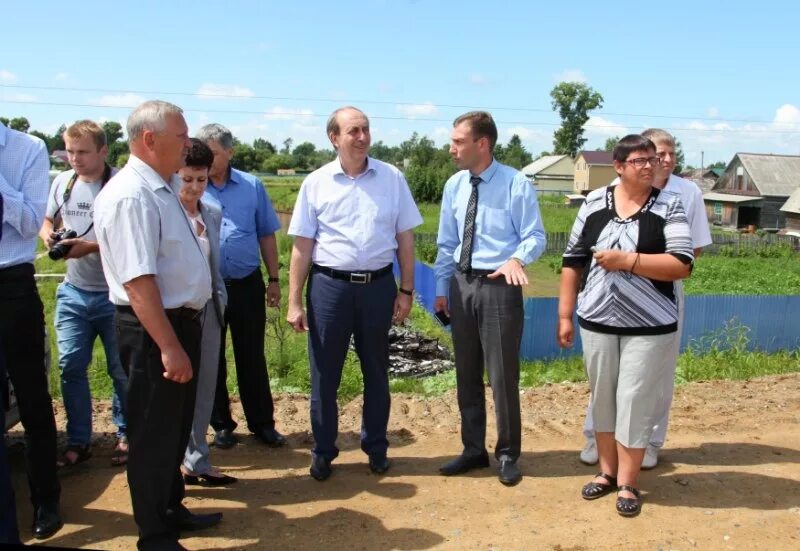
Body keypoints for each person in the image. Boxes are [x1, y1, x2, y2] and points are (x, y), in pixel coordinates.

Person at [94, 100, 223, 550]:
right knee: (153, 436)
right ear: (149, 139)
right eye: (181, 136)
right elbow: (139, 282)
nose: (189, 144)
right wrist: (169, 347)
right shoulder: (132, 195)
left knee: (173, 429)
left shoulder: (161, 187)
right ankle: (154, 535)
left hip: (179, 322)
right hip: (154, 330)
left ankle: (170, 507)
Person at [558, 134, 694, 517]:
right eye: (640, 160)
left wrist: (628, 261)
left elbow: (682, 263)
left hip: (650, 325)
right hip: (597, 320)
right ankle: (606, 472)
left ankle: (629, 483)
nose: (650, 165)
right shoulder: (593, 203)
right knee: (603, 397)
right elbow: (572, 262)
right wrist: (565, 315)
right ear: (619, 167)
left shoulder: (669, 205)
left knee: (633, 400)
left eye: (653, 159)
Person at [287, 106, 421, 481]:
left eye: (366, 130)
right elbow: (302, 245)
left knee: (376, 371)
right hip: (329, 289)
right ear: (334, 137)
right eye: (353, 131)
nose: (362, 137)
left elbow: (405, 238)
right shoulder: (316, 182)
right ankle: (324, 451)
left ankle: (376, 448)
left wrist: (406, 289)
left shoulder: (392, 178)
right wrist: (294, 301)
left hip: (378, 288)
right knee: (324, 375)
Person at [579, 129, 712, 469]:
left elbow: (689, 251)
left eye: (668, 155)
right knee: (605, 379)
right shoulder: (605, 195)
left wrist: (643, 265)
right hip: (607, 296)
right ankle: (598, 440)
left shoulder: (687, 192)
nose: (663, 161)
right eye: (656, 155)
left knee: (654, 377)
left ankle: (650, 442)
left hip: (660, 292)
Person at [434, 111, 546, 486]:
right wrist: (440, 288)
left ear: (482, 143)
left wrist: (517, 258)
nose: (452, 148)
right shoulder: (454, 185)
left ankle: (508, 453)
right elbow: (447, 243)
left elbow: (535, 236)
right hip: (460, 283)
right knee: (466, 371)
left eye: (458, 141)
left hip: (499, 285)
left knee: (501, 375)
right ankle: (472, 449)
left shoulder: (516, 184)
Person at [38, 120, 129, 468]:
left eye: (83, 152)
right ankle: (79, 439)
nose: (75, 159)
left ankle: (126, 434)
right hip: (73, 293)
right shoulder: (63, 182)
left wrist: (87, 248)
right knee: (70, 366)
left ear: (103, 151)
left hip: (114, 294)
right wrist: (50, 237)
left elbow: (130, 241)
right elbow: (46, 220)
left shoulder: (120, 185)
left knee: (120, 370)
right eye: (70, 152)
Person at [196, 123, 285, 450]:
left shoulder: (252, 185)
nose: (207, 160)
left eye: (214, 153)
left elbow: (266, 233)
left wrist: (273, 278)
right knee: (211, 356)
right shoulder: (192, 184)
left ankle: (262, 423)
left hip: (247, 284)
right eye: (203, 153)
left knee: (251, 355)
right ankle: (221, 424)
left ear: (230, 152)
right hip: (204, 286)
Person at [0, 120, 62, 539]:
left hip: (11, 284)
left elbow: (27, 224)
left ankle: (46, 500)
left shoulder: (27, 148)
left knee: (33, 400)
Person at [177, 139, 236, 486]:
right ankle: (172, 463)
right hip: (174, 313)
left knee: (204, 389)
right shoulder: (163, 210)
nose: (194, 188)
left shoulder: (211, 210)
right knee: (175, 392)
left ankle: (196, 461)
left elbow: (214, 266)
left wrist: (219, 305)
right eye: (187, 179)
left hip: (209, 309)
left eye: (200, 180)